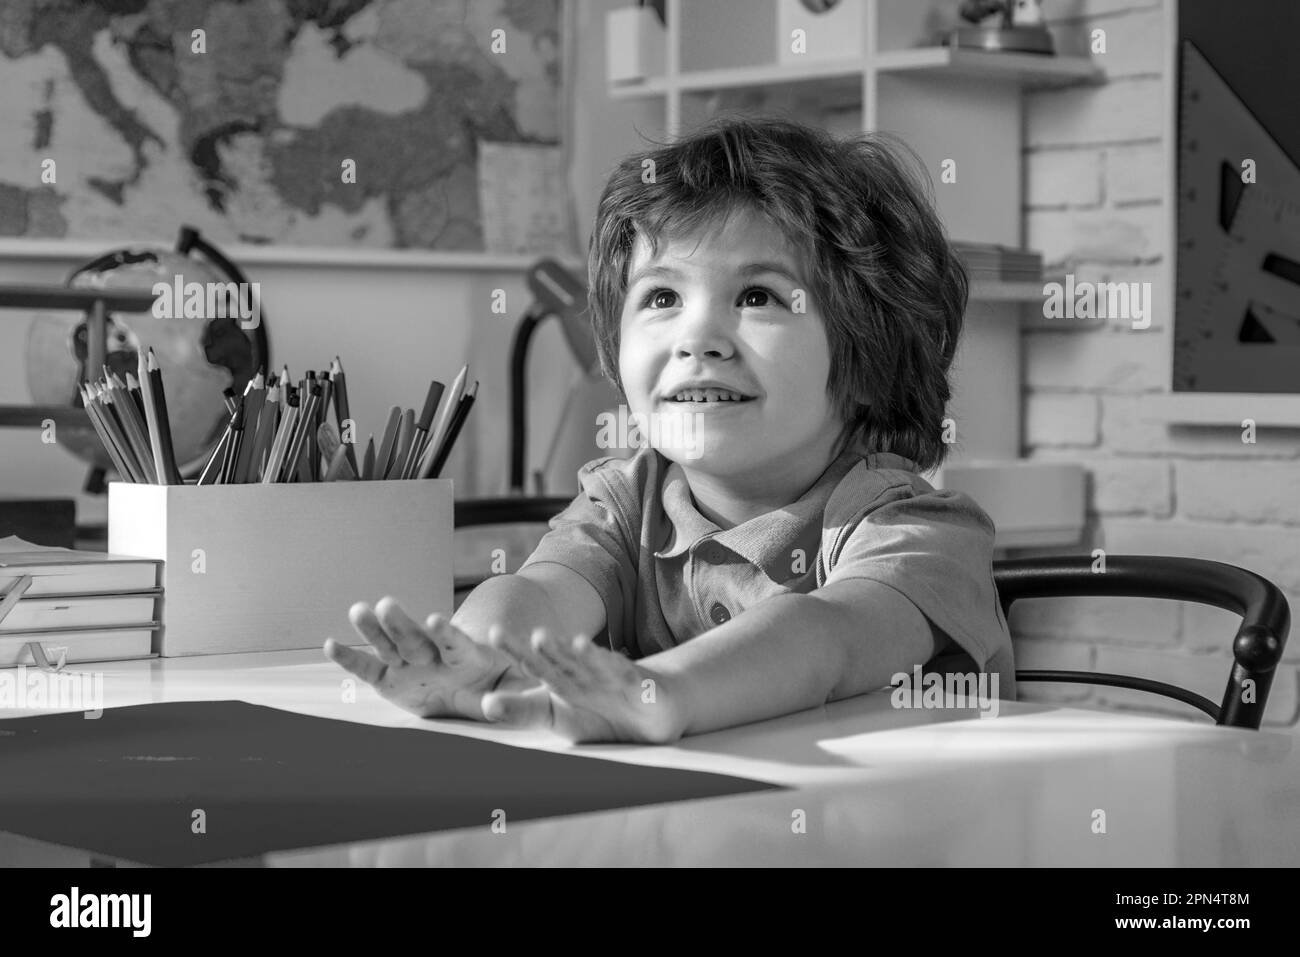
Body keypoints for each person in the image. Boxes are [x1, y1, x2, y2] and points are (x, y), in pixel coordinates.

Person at [325, 116, 1015, 744]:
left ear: (870, 356)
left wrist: (665, 693)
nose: (698, 336)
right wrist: (476, 658)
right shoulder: (626, 502)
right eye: (662, 296)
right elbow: (540, 592)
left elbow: (823, 638)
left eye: (758, 296)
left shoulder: (919, 528)